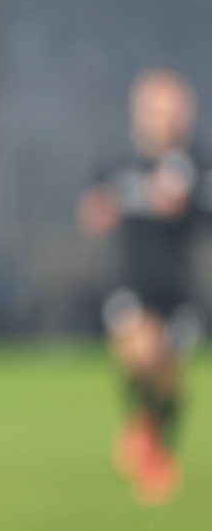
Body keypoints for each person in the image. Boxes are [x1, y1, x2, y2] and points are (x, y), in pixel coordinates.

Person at [77, 68, 207, 505]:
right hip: (132, 282)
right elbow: (94, 208)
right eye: (155, 107)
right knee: (140, 351)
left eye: (171, 108)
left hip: (179, 288)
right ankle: (145, 438)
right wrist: (99, 212)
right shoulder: (117, 160)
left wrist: (184, 203)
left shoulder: (198, 163)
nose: (163, 117)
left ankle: (157, 443)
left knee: (169, 381)